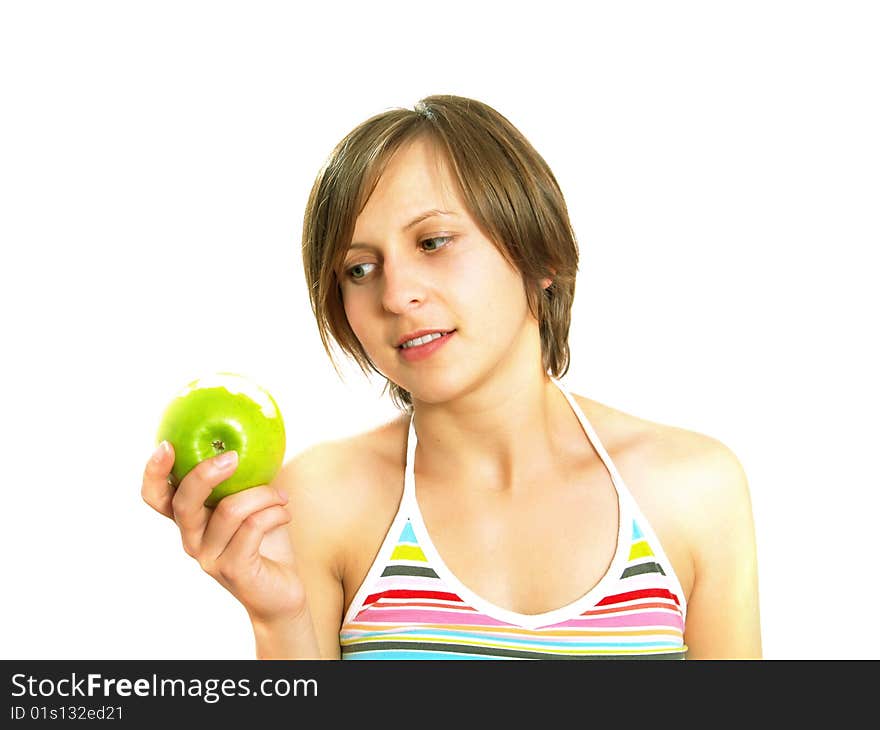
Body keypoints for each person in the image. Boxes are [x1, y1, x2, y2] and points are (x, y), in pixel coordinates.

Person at [142, 94, 762, 659]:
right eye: (359, 269)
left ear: (540, 254)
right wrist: (279, 620)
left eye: (433, 242)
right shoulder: (321, 499)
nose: (396, 293)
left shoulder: (693, 490)